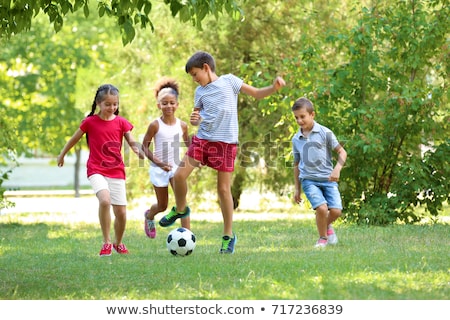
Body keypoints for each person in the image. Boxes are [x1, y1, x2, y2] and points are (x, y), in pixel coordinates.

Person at [158, 51, 286, 254]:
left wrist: (273, 88)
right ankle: (180, 209)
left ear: (206, 68)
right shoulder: (199, 92)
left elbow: (255, 93)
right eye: (191, 76)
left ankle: (228, 236)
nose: (194, 79)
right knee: (179, 175)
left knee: (223, 190)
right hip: (202, 140)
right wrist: (194, 120)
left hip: (225, 144)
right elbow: (198, 117)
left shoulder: (230, 82)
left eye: (195, 74)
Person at [57, 84, 143, 256]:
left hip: (116, 170)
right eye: (108, 104)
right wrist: (62, 154)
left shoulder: (121, 122)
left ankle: (118, 243)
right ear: (98, 103)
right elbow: (74, 139)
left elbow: (131, 140)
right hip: (96, 169)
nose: (112, 108)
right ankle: (106, 242)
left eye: (115, 104)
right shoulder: (90, 122)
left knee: (121, 213)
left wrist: (137, 150)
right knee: (104, 201)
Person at [291, 97, 347, 248]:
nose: (299, 120)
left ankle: (326, 226)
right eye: (296, 117)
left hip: (328, 179)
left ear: (312, 115)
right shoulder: (296, 139)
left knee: (336, 211)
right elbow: (296, 164)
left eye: (302, 116)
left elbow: (342, 152)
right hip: (308, 180)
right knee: (322, 208)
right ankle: (322, 238)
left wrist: (337, 169)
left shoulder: (325, 132)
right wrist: (297, 188)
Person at [142, 77, 191, 238]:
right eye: (164, 103)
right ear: (158, 105)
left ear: (177, 104)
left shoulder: (182, 125)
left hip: (176, 168)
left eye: (171, 102)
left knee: (181, 202)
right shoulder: (155, 125)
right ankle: (149, 216)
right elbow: (144, 147)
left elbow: (190, 145)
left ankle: (187, 234)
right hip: (159, 168)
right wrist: (160, 163)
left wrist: (193, 161)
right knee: (162, 205)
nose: (168, 106)